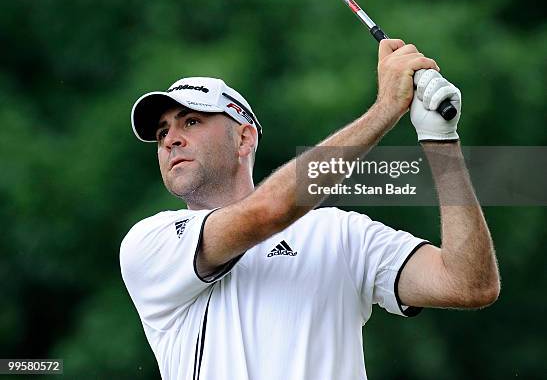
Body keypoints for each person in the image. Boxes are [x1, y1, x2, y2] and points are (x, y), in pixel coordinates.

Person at [120, 39, 500, 380]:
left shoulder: (340, 234)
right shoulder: (150, 242)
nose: (171, 140)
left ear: (243, 137)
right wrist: (386, 108)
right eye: (161, 133)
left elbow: (470, 283)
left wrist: (441, 141)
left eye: (191, 121)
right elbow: (267, 212)